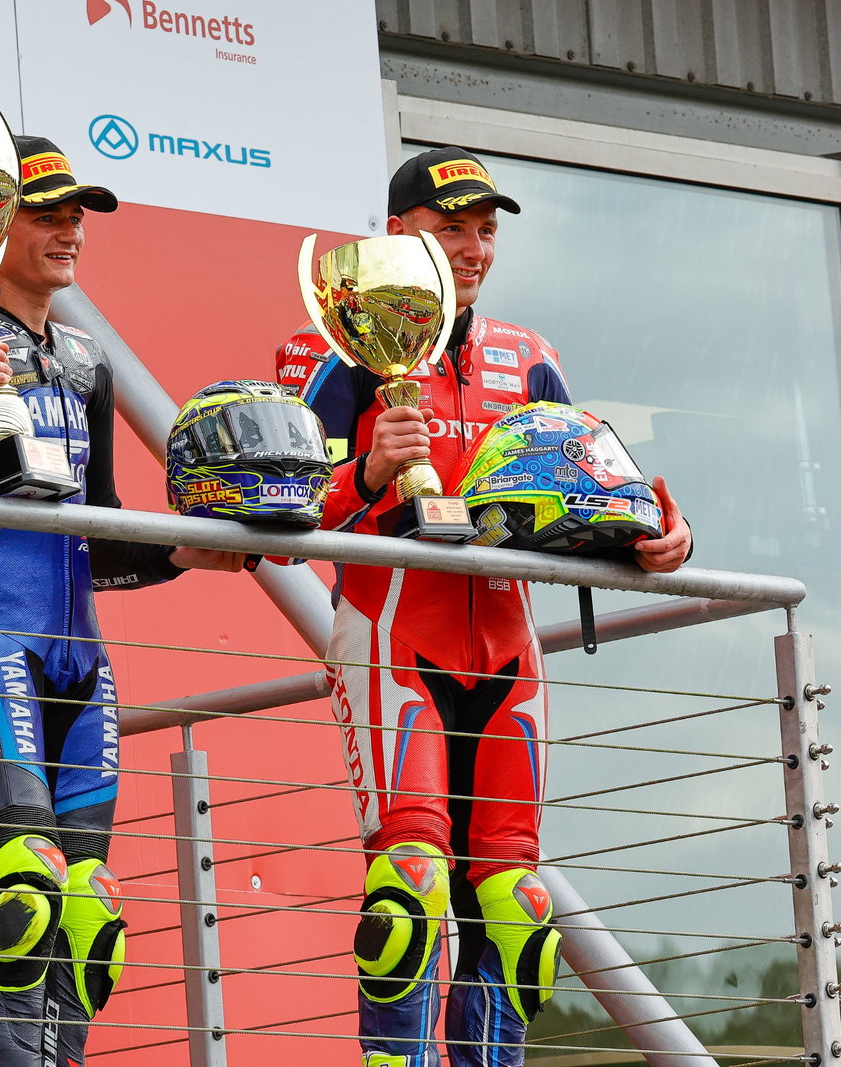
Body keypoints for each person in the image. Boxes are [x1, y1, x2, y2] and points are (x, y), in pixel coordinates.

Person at [276, 147, 692, 1067]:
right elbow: (281, 515)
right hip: (392, 635)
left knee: (516, 905)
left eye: (483, 230)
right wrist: (369, 471)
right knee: (412, 885)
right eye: (448, 227)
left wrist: (667, 536)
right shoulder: (331, 346)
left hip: (509, 647)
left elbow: (604, 498)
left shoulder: (529, 358)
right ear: (395, 235)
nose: (471, 248)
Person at [0, 135, 245, 1067]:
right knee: (23, 887)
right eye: (47, 210)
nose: (70, 227)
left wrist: (186, 551)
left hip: (81, 652)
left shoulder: (86, 359)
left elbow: (101, 530)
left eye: (79, 212)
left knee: (86, 910)